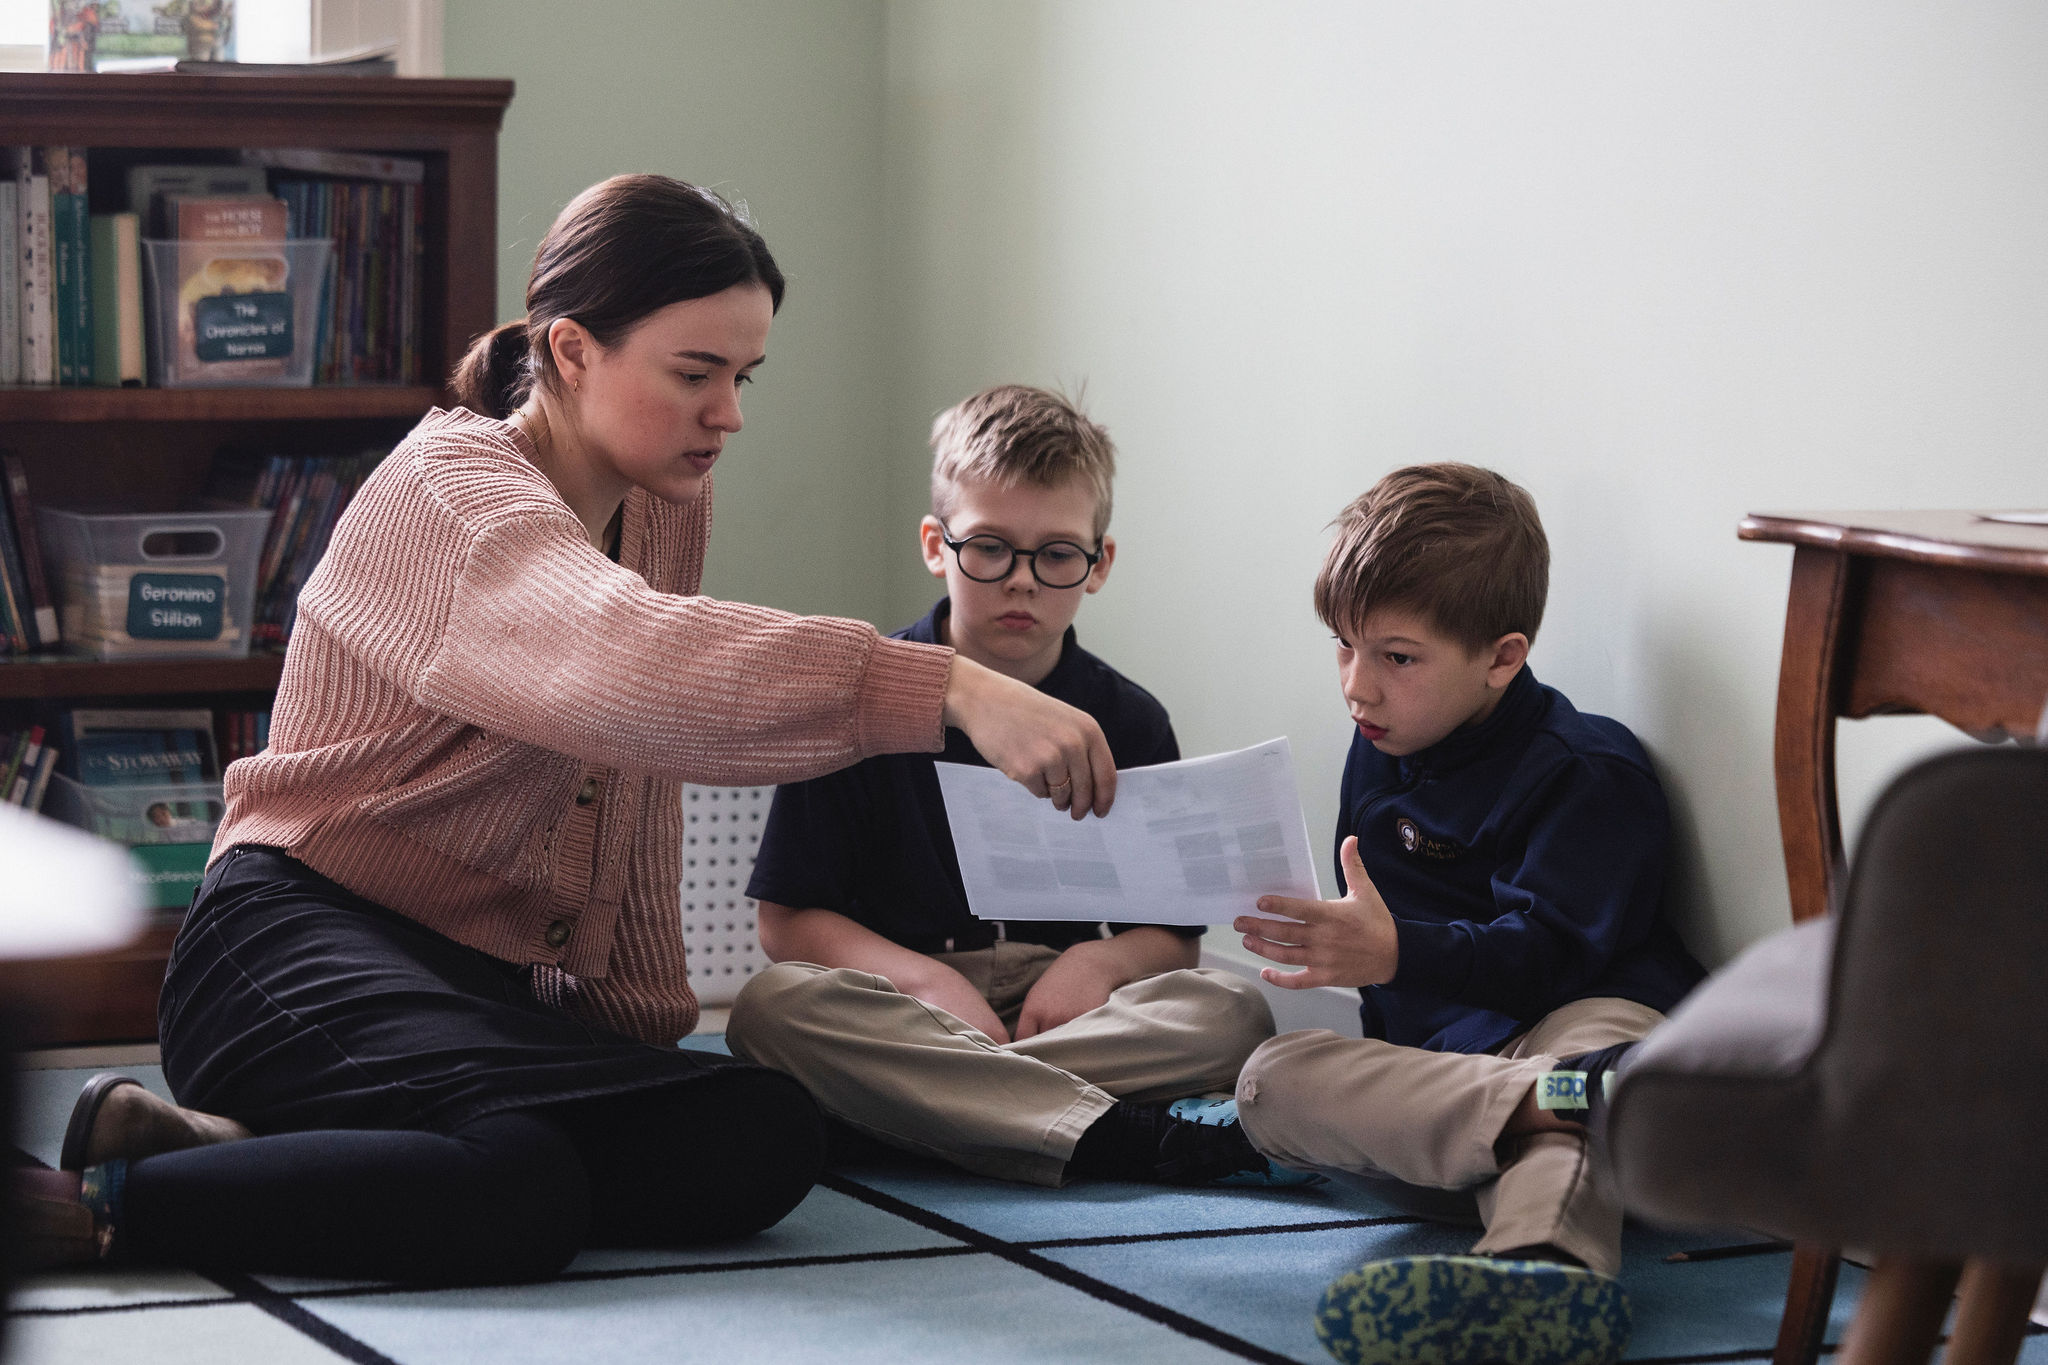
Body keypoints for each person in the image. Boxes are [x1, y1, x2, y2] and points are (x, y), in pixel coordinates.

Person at [11, 176, 1118, 1285]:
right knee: (516, 1184)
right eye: (695, 374)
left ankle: (235, 1156)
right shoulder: (453, 494)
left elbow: (630, 774)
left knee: (759, 1136)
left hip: (471, 991)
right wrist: (953, 688)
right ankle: (76, 1210)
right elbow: (624, 661)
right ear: (574, 351)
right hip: (290, 947)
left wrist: (629, 1039)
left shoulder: (662, 499)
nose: (728, 413)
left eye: (742, 376)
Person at [725, 385, 1292, 1188]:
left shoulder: (1131, 719)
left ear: (1100, 564)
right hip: (902, 994)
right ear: (935, 543)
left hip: (1061, 1006)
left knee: (1232, 1014)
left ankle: (922, 1113)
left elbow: (1172, 937)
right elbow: (788, 924)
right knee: (769, 1009)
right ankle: (1106, 1133)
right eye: (988, 547)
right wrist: (929, 980)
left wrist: (1093, 969)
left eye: (1058, 554)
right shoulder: (861, 694)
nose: (1021, 581)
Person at [1228, 464, 1705, 1365]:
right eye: (1344, 646)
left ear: (1502, 656)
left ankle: (1538, 1274)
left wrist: (1397, 952)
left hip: (1572, 1015)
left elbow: (1551, 957)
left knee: (1586, 1047)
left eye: (1396, 657)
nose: (1355, 688)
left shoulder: (1588, 769)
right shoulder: (1379, 748)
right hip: (1465, 1087)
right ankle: (1567, 1106)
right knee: (1268, 1076)